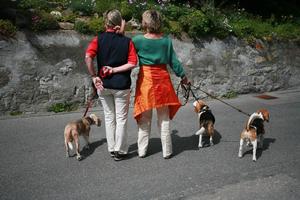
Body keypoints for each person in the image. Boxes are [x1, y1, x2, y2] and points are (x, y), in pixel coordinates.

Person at [132, 9, 190, 159]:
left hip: (146, 82)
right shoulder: (166, 41)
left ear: (145, 23)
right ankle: (167, 151)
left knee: (145, 119)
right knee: (163, 119)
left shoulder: (137, 40)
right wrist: (183, 77)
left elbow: (130, 60)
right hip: (163, 81)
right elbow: (174, 62)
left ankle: (142, 151)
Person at [85, 9, 137, 161]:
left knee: (109, 118)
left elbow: (88, 57)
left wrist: (94, 76)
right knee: (121, 119)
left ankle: (112, 148)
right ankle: (120, 151)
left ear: (105, 22)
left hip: (103, 84)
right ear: (119, 23)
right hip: (121, 85)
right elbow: (133, 63)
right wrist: (115, 69)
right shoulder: (127, 42)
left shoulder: (98, 39)